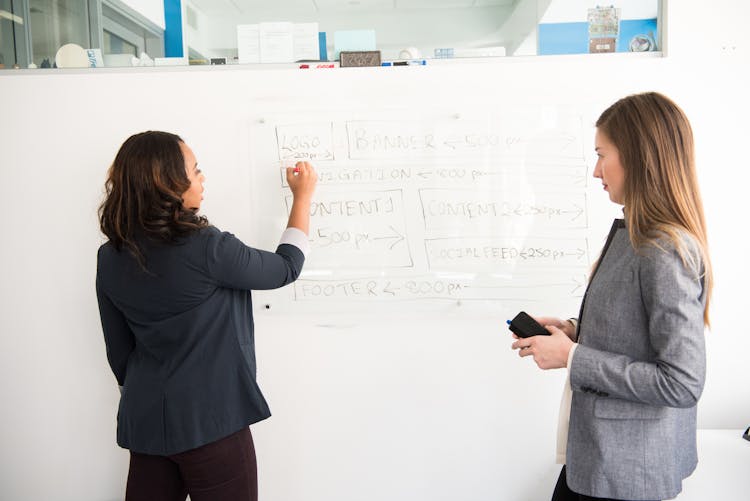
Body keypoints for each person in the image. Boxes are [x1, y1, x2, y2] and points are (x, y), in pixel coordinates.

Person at [511, 92, 712, 501]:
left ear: (639, 157)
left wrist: (571, 357)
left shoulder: (665, 249)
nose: (595, 170)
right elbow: (633, 327)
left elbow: (682, 382)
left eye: (603, 155)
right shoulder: (632, 234)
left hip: (626, 472)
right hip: (600, 459)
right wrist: (572, 331)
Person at [96, 131, 317, 501]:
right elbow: (285, 268)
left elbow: (118, 350)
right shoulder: (207, 248)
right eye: (195, 171)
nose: (202, 179)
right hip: (210, 423)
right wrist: (303, 197)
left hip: (146, 420)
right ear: (168, 183)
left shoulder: (110, 256)